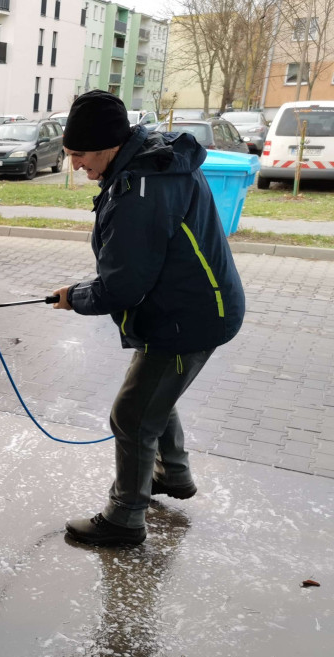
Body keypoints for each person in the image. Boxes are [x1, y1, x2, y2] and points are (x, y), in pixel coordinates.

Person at [52, 90, 245, 546]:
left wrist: (74, 297)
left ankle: (124, 517)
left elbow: (123, 286)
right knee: (154, 395)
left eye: (79, 155)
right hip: (182, 309)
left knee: (132, 415)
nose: (76, 165)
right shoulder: (147, 165)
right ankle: (171, 474)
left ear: (108, 145)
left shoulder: (142, 188)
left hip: (190, 318)